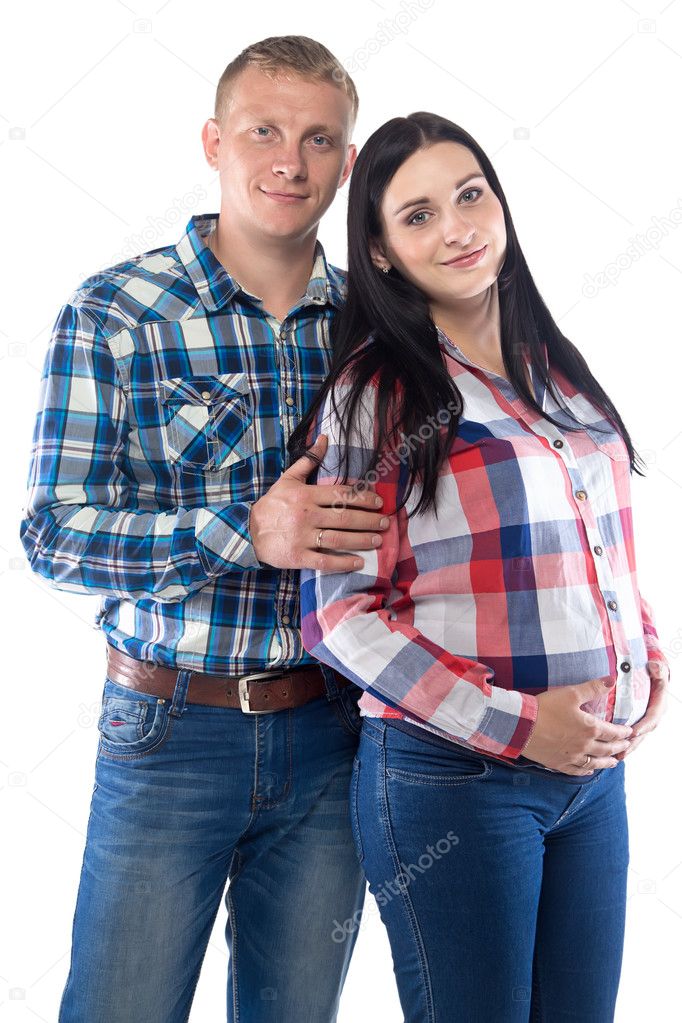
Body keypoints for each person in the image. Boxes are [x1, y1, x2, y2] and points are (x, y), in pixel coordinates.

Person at [18, 35, 392, 1023]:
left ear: (346, 164)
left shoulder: (379, 324)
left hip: (338, 733)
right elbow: (53, 535)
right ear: (213, 141)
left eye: (319, 140)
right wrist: (245, 531)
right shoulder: (116, 313)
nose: (290, 161)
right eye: (264, 131)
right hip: (168, 731)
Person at [291, 111, 671, 1022]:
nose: (457, 227)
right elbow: (339, 616)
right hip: (454, 780)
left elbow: (596, 542)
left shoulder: (557, 371)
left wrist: (644, 650)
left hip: (594, 779)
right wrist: (515, 726)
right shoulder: (378, 394)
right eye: (417, 216)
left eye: (470, 195)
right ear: (379, 252)